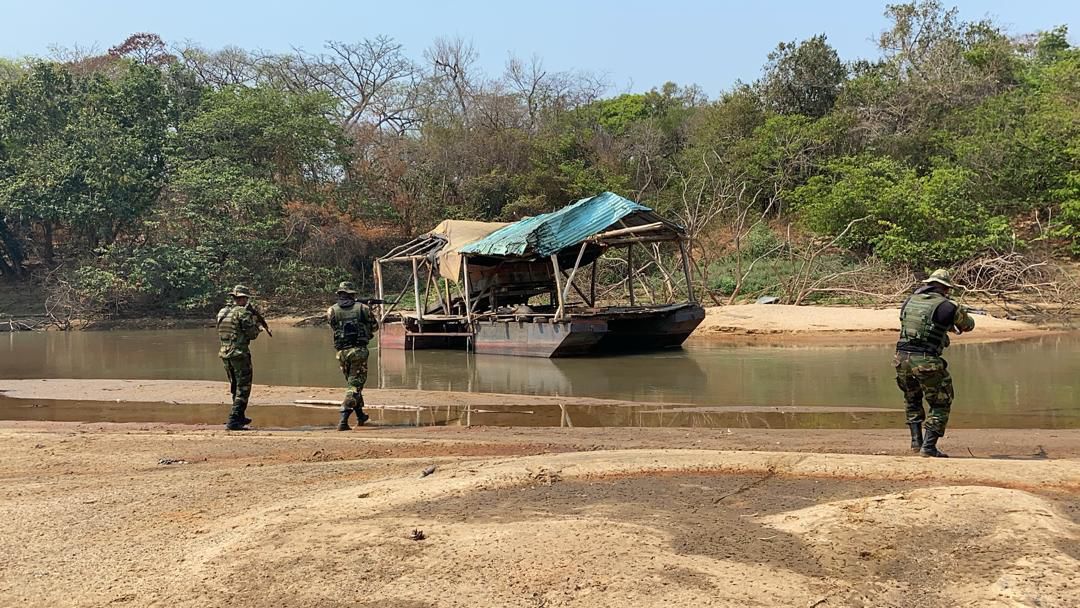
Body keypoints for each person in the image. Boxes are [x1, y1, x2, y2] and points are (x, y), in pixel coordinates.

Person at [894, 269, 975, 457]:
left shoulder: (909, 301)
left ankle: (916, 442)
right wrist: (957, 312)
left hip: (901, 358)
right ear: (946, 288)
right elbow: (968, 325)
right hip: (926, 360)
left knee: (912, 399)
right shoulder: (948, 306)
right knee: (941, 402)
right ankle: (928, 447)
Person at [328, 281, 379, 430]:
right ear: (352, 294)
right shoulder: (363, 308)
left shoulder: (331, 310)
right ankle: (343, 419)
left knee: (353, 383)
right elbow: (375, 327)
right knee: (354, 386)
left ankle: (360, 416)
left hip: (342, 353)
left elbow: (334, 327)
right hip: (358, 351)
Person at [216, 285, 263, 431]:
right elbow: (252, 334)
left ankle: (240, 416)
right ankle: (234, 420)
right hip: (239, 354)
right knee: (243, 388)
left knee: (235, 386)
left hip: (225, 353)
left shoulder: (223, 312)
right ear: (243, 298)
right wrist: (257, 325)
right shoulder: (242, 313)